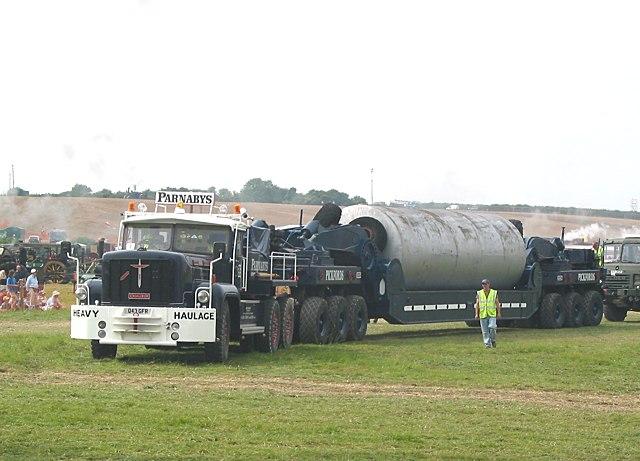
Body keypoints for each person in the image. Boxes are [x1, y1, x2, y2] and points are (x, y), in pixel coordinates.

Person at [475, 279, 501, 348]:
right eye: (483, 284)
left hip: (492, 314)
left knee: (492, 327)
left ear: (489, 284)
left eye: (486, 284)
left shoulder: (494, 293)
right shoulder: (479, 293)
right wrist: (476, 314)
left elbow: (497, 303)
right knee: (485, 331)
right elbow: (477, 304)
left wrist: (498, 313)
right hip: (483, 314)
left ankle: (493, 340)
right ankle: (487, 345)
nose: (484, 285)